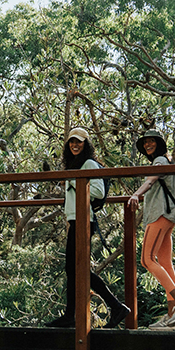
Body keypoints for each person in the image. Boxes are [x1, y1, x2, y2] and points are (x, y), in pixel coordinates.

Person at [45, 127, 131, 328]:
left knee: (77, 268)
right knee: (73, 269)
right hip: (76, 220)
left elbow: (99, 192)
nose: (75, 145)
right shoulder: (75, 164)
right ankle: (72, 315)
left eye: (79, 142)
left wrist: (75, 180)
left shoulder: (88, 163)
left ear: (86, 144)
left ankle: (114, 307)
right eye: (72, 142)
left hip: (85, 220)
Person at [128, 129, 175, 330]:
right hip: (167, 216)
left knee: (146, 259)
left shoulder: (160, 161)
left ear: (159, 143)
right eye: (145, 143)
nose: (148, 145)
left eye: (152, 141)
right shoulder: (162, 161)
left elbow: (150, 181)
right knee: (165, 263)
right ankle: (173, 318)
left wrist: (135, 194)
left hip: (160, 215)